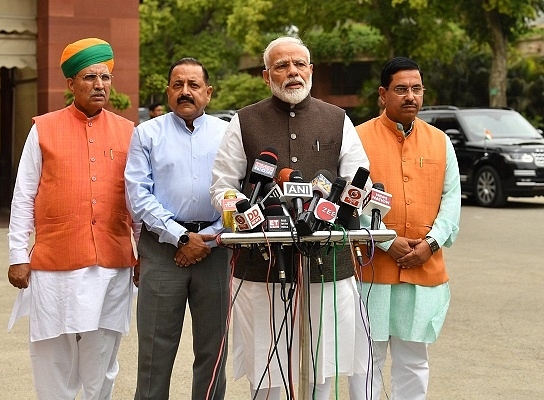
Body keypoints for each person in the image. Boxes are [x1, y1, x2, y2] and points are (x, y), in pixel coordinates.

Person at [209, 36, 370, 400]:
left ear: (311, 70)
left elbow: (360, 177)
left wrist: (336, 205)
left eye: (299, 64)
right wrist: (237, 206)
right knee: (267, 372)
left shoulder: (338, 119)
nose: (292, 72)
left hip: (326, 261)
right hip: (261, 264)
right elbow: (222, 186)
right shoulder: (245, 121)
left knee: (321, 369)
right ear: (267, 76)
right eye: (282, 65)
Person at [7, 37, 138, 399]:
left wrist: (143, 253)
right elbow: (23, 196)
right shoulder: (43, 129)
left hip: (111, 264)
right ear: (70, 84)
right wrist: (18, 255)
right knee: (53, 358)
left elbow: (137, 199)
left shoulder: (128, 132)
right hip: (55, 264)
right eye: (89, 77)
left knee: (102, 359)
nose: (99, 85)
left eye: (105, 77)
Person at [348, 57, 461, 400]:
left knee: (413, 360)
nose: (410, 96)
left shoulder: (440, 142)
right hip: (372, 268)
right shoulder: (357, 138)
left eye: (416, 89)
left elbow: (451, 199)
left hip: (423, 266)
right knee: (367, 359)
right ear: (383, 94)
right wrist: (387, 241)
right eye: (401, 89)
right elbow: (349, 202)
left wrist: (430, 243)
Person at [125, 57, 230, 400]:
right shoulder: (146, 133)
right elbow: (138, 195)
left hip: (215, 251)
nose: (185, 92)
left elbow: (237, 193)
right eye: (178, 85)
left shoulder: (228, 134)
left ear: (208, 93)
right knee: (155, 350)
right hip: (161, 250)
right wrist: (181, 237)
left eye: (194, 85)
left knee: (213, 352)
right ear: (168, 90)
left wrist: (208, 238)